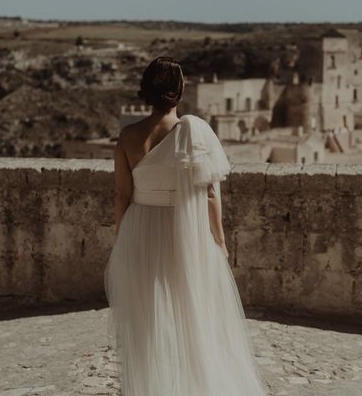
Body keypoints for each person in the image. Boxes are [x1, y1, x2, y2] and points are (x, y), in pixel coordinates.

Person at [104, 56, 268, 395]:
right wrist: (219, 240)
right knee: (193, 315)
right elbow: (209, 193)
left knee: (149, 321)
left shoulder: (128, 135)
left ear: (146, 91)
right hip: (184, 231)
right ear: (179, 92)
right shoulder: (194, 130)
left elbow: (122, 194)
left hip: (140, 227)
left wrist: (122, 234)